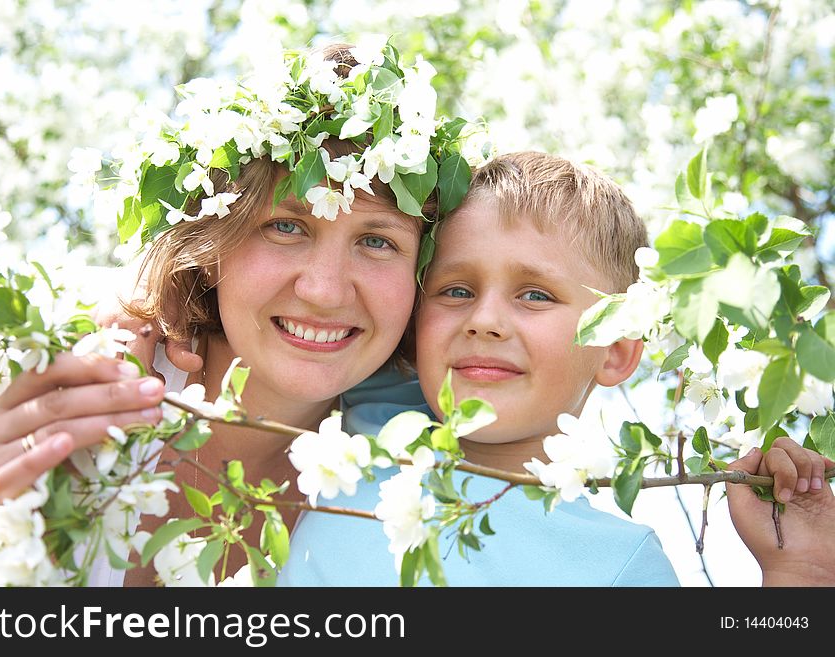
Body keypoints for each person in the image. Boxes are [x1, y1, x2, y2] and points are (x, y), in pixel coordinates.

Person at [0, 42, 452, 586]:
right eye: (285, 226)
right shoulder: (57, 383)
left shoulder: (414, 464)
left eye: (378, 241)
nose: (325, 291)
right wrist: (19, 522)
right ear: (213, 241)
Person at [277, 152, 835, 586]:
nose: (485, 320)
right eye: (456, 290)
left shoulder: (618, 564)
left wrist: (802, 576)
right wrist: (185, 295)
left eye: (536, 295)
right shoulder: (377, 406)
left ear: (616, 348)